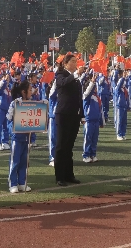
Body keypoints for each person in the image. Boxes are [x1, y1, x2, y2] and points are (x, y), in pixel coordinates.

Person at [53, 53, 84, 186]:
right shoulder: (60, 75)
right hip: (63, 114)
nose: (75, 63)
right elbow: (63, 83)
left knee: (69, 146)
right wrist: (75, 74)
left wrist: (82, 114)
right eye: (72, 61)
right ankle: (60, 176)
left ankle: (69, 174)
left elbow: (79, 98)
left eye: (76, 61)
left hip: (74, 115)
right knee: (61, 146)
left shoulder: (76, 79)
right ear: (65, 64)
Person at [6, 80, 33, 193]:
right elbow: (8, 118)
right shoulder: (16, 103)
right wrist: (13, 132)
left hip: (27, 138)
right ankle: (12, 183)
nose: (32, 91)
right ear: (23, 91)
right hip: (17, 137)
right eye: (30, 90)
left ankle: (22, 183)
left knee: (24, 162)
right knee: (15, 161)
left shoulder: (33, 104)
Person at [82, 72, 102, 163]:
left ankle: (93, 154)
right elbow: (87, 92)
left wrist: (101, 121)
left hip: (96, 121)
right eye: (94, 87)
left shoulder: (97, 97)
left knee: (94, 139)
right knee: (88, 139)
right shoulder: (86, 96)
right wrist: (92, 83)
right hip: (89, 121)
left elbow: (100, 110)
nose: (95, 88)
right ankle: (86, 155)